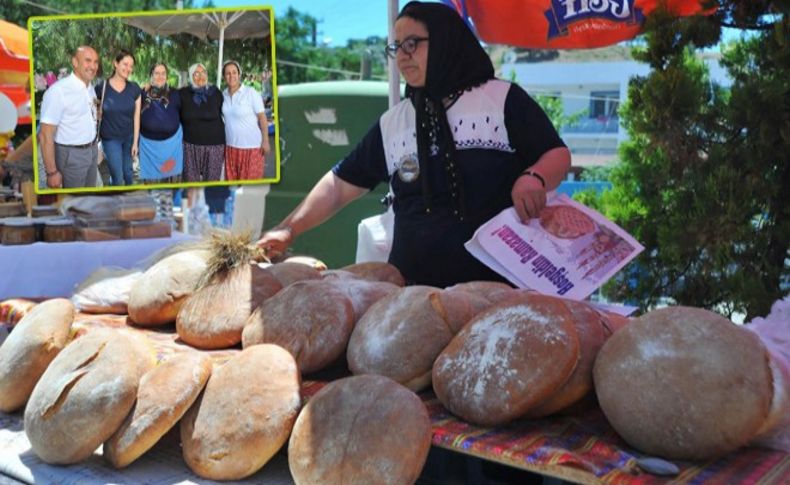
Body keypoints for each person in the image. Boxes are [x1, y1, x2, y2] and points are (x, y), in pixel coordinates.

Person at [257, 1, 571, 288]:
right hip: (409, 298)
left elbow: (556, 154)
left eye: (412, 44)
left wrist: (535, 177)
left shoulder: (502, 99)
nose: (402, 55)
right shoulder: (394, 121)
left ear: (446, 41)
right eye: (396, 47)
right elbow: (339, 185)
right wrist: (289, 228)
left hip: (496, 291)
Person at [38, 45, 100, 189]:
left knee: (89, 197)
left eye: (96, 62)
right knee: (74, 202)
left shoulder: (90, 88)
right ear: (75, 62)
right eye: (88, 61)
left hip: (91, 151)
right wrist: (52, 172)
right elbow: (45, 135)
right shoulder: (58, 91)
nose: (93, 66)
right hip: (72, 155)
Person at [95, 49, 142, 186]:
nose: (128, 68)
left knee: (128, 173)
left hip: (128, 138)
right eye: (125, 64)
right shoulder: (101, 87)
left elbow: (136, 117)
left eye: (131, 66)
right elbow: (92, 108)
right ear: (115, 63)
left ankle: (128, 199)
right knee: (118, 176)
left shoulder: (134, 88)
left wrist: (135, 143)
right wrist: (98, 112)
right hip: (110, 139)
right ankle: (116, 203)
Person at [221, 60, 270, 180]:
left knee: (249, 190)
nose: (231, 76)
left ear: (239, 74)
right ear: (224, 77)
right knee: (232, 189)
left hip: (251, 149)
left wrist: (265, 141)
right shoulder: (223, 95)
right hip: (230, 148)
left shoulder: (251, 93)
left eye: (234, 72)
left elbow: (262, 118)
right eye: (228, 73)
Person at [179, 62, 225, 182]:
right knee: (190, 184)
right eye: (196, 73)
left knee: (211, 184)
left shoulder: (216, 93)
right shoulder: (183, 93)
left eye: (203, 72)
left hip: (214, 146)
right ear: (191, 76)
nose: (201, 76)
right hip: (190, 146)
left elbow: (226, 113)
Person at [138, 62, 183, 184]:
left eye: (163, 73)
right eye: (157, 73)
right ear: (151, 76)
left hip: (172, 147)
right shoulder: (142, 93)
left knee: (171, 187)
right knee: (152, 187)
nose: (160, 76)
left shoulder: (175, 94)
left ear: (167, 76)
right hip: (148, 149)